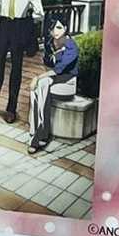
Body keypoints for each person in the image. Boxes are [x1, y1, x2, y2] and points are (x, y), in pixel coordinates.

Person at [29, 16, 79, 153]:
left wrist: (37, 77)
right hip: (53, 80)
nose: (55, 31)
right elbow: (48, 66)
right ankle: (36, 130)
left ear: (65, 28)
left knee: (41, 83)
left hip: (68, 83)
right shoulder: (50, 43)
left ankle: (41, 133)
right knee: (36, 88)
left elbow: (59, 69)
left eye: (59, 27)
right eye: (53, 28)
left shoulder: (71, 46)